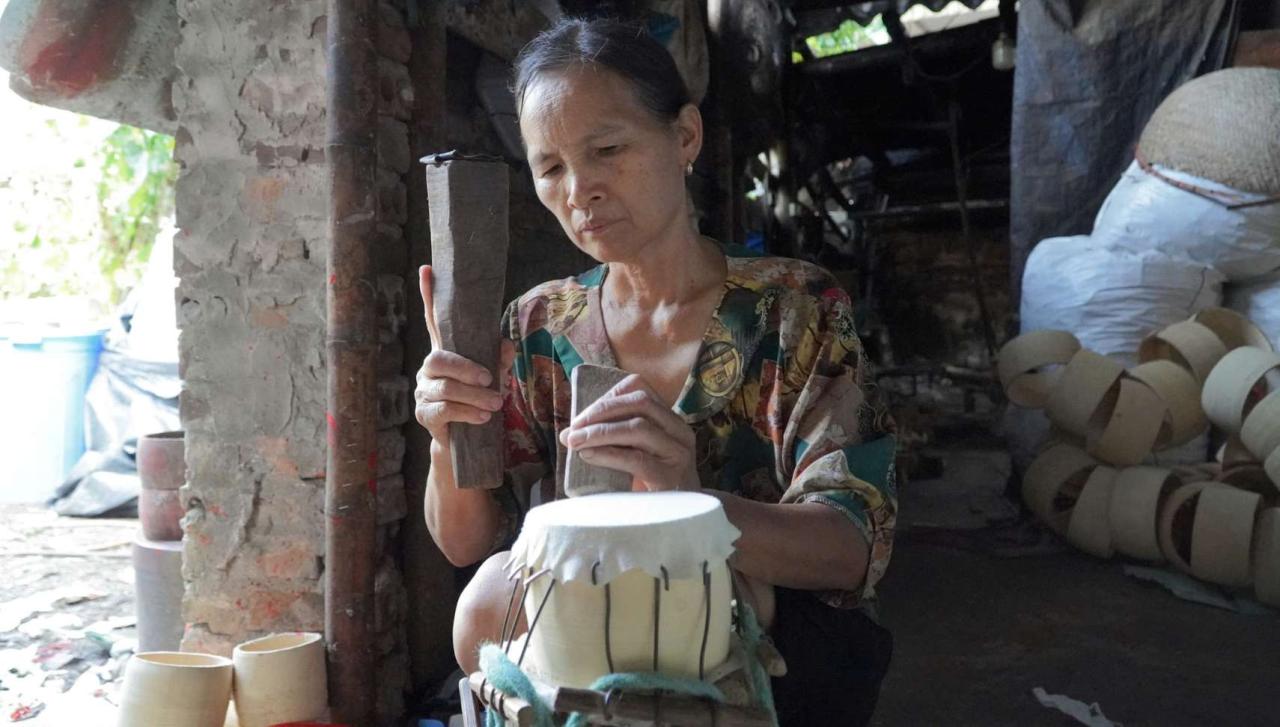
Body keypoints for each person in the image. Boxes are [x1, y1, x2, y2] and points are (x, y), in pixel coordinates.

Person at [414, 17, 896, 726]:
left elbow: (851, 547)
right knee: (484, 598)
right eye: (550, 168)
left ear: (686, 137)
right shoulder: (537, 326)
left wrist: (690, 503)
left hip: (772, 647)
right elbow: (466, 543)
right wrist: (447, 431)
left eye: (607, 150)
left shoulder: (795, 309)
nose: (580, 190)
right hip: (584, 642)